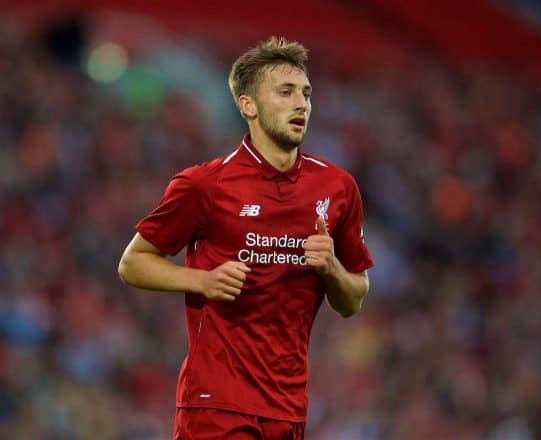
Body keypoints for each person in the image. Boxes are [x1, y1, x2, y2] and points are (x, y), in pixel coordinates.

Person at [118, 36, 373, 440]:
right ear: (248, 106)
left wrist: (332, 268)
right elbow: (132, 262)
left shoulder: (337, 188)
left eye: (306, 93)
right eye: (285, 92)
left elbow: (353, 298)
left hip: (288, 407)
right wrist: (202, 280)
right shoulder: (204, 184)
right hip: (216, 403)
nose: (301, 104)